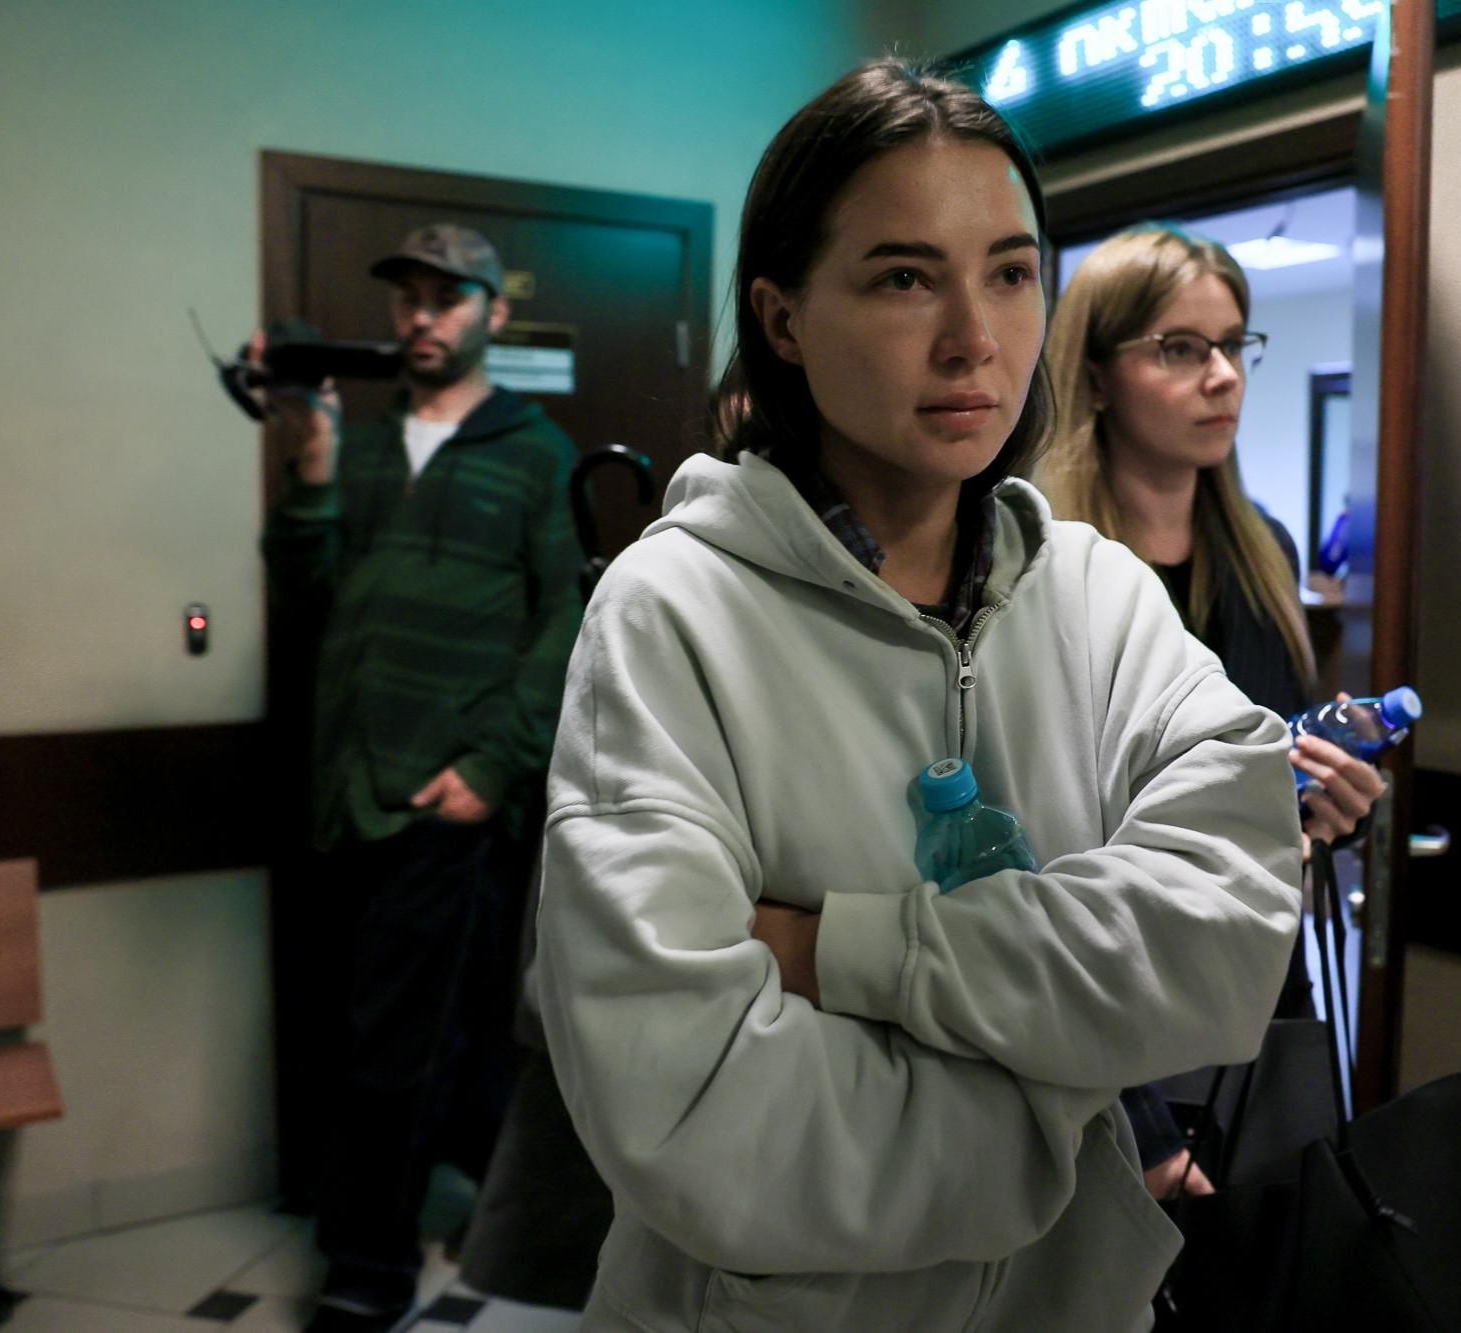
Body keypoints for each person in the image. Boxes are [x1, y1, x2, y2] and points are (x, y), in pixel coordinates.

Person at [535, 61, 1303, 1332]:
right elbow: (689, 1106)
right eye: (903, 277)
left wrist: (841, 951)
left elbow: (1225, 942)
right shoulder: (673, 612)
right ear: (782, 317)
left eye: (1009, 273)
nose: (974, 338)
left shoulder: (1097, 596)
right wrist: (1061, 1111)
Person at [256, 222, 584, 1332]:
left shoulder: (535, 451)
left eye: (448, 297)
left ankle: (368, 1269)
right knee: (365, 1030)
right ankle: (440, 1211)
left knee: (401, 1043)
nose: (423, 317)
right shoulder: (354, 442)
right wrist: (308, 470)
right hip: (341, 790)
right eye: (407, 297)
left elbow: (564, 624)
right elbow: (304, 597)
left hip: (448, 793)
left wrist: (494, 766)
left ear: (493, 310)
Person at [1036, 222, 1388, 1199]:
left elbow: (1260, 777)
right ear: (1096, 375)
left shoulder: (1263, 549)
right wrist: (1136, 1119)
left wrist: (1330, 800)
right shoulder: (1042, 565)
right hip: (1106, 1022)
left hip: (1260, 1005)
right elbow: (1037, 851)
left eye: (1232, 345)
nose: (1223, 376)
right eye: (1180, 349)